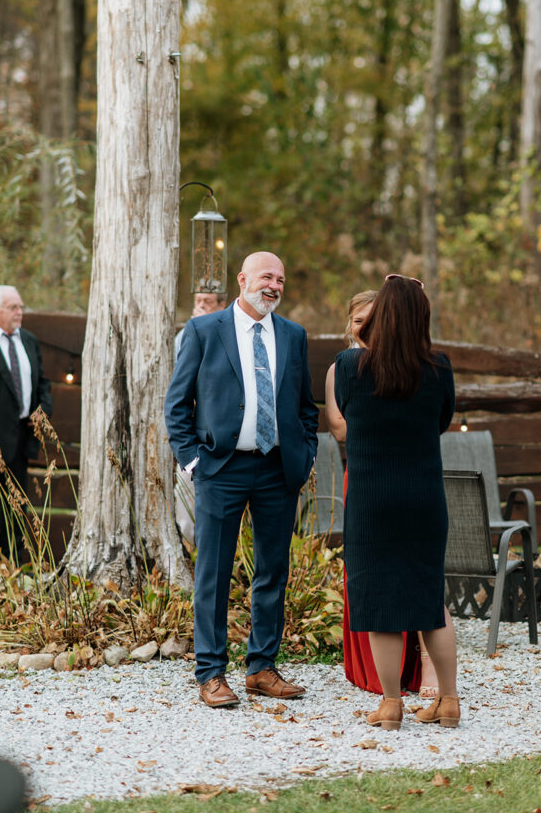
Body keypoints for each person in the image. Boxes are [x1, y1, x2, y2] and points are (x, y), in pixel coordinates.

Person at [165, 251, 319, 709]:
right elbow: (178, 405)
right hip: (220, 468)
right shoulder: (204, 330)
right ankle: (211, 673)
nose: (274, 285)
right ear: (243, 279)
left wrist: (304, 456)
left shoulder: (293, 335)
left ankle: (261, 668)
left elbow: (306, 408)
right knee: (212, 572)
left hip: (277, 470)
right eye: (266, 276)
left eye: (281, 279)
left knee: (273, 570)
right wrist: (193, 462)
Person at [327, 274, 460, 731]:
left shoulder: (349, 368)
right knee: (430, 598)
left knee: (380, 602)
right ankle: (448, 700)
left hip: (371, 500)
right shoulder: (439, 368)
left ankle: (390, 704)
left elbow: (344, 416)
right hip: (424, 498)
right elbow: (442, 420)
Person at [0, 285, 52, 561]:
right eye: (13, 307)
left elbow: (42, 383)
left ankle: (13, 569)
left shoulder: (28, 340)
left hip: (19, 441)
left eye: (21, 306)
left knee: (15, 511)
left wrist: (41, 411)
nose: (20, 312)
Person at [173, 292, 227, 543]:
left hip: (229, 442)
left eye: (208, 301)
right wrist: (188, 456)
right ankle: (188, 550)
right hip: (195, 441)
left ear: (222, 305)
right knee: (185, 502)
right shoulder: (184, 336)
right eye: (197, 301)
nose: (201, 305)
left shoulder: (233, 335)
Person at [174, 292, 226, 362]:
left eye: (208, 302)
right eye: (198, 300)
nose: (201, 305)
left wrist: (205, 327)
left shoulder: (227, 333)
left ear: (221, 306)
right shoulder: (183, 334)